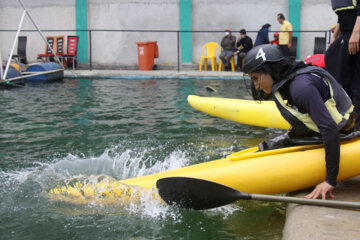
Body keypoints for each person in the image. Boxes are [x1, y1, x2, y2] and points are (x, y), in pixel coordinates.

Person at [243, 44, 355, 200]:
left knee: (281, 143)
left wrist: (330, 180)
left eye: (255, 78)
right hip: (333, 125)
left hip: (344, 128)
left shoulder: (300, 88)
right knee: (272, 145)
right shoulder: (288, 80)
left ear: (270, 71)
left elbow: (329, 129)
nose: (255, 85)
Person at [325, 0, 360, 130]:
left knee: (357, 84)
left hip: (356, 33)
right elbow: (342, 17)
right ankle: (349, 119)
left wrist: (356, 33)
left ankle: (358, 127)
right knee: (343, 80)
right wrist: (334, 37)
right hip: (346, 35)